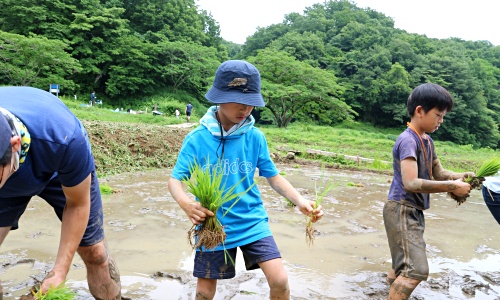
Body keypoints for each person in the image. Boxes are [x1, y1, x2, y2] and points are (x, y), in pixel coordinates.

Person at [167, 60, 324, 300]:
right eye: (240, 103)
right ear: (220, 97)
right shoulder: (197, 139)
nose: (246, 110)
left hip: (252, 222)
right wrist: (186, 203)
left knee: (280, 280)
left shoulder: (255, 137)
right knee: (204, 292)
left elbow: (273, 176)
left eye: (251, 104)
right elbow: (175, 180)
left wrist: (300, 200)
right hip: (213, 225)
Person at [0, 87, 121, 299]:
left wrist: (60, 271)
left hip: (56, 163)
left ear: (15, 144)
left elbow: (78, 204)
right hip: (9, 180)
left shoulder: (64, 138)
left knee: (95, 252)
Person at [383, 83, 474, 300]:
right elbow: (411, 183)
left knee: (403, 264)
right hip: (401, 210)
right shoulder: (407, 140)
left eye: (443, 116)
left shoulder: (427, 140)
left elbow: (439, 172)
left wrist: (460, 176)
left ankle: (385, 290)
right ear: (419, 111)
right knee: (416, 270)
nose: (441, 121)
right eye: (438, 115)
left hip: (413, 211)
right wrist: (453, 187)